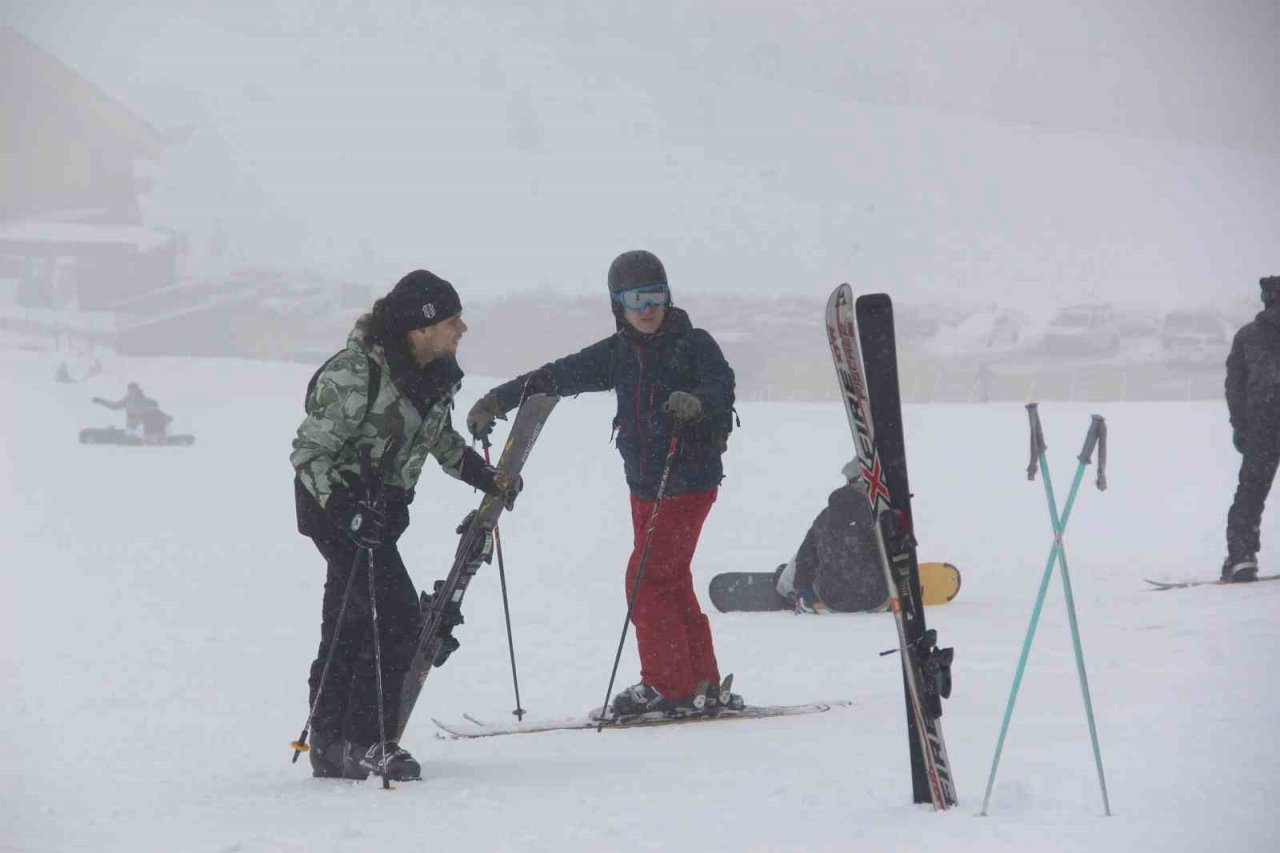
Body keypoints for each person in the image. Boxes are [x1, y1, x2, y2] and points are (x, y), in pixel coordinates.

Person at [466, 250, 742, 716]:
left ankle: (667, 687)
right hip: (644, 487)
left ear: (668, 296)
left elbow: (721, 386)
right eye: (636, 300)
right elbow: (556, 374)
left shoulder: (695, 343)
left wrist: (696, 401)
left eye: (655, 296)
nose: (648, 309)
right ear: (618, 305)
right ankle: (699, 682)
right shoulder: (619, 353)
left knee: (646, 580)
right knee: (669, 580)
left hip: (687, 483)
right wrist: (499, 399)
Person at [291, 269, 520, 781]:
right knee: (393, 618)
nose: (462, 329)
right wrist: (349, 510)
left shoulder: (431, 376)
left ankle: (331, 746)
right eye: (451, 320)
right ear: (421, 327)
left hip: (381, 517)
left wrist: (484, 476)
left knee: (349, 626)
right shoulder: (355, 373)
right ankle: (368, 740)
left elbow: (439, 442)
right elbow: (309, 455)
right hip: (336, 512)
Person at [1222, 275, 1280, 582]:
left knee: (1251, 493)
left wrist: (1240, 424)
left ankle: (1241, 557)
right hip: (1262, 427)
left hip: (1263, 429)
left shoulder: (1247, 337)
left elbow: (1235, 385)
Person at [774, 461, 887, 613]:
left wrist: (803, 589)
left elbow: (805, 558)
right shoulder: (879, 516)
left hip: (832, 598)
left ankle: (785, 587)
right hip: (876, 598)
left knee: (804, 555)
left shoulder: (825, 516)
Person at [92, 382, 171, 442]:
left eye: (133, 390)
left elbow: (157, 413)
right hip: (131, 428)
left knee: (140, 436)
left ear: (137, 389)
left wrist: (166, 418)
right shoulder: (127, 399)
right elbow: (114, 406)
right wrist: (101, 401)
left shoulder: (146, 401)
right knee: (129, 438)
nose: (132, 392)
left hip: (143, 428)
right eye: (130, 390)